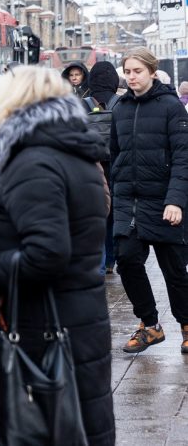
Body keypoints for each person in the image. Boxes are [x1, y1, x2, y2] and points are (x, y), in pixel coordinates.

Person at [0, 66, 114, 446]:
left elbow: (47, 252)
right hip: (72, 319)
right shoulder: (70, 155)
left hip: (37, 327)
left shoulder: (36, 162)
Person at [110, 47, 188, 355]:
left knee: (175, 272)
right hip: (129, 203)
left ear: (152, 72)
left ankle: (186, 325)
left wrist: (176, 201)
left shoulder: (171, 107)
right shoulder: (120, 108)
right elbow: (116, 155)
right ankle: (151, 325)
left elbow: (183, 158)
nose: (131, 77)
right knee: (128, 261)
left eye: (137, 71)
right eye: (127, 71)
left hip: (165, 203)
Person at [85, 61, 122, 275]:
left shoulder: (81, 105)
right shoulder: (123, 103)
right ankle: (111, 259)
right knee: (115, 216)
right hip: (117, 168)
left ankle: (99, 263)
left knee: (98, 214)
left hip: (92, 169)